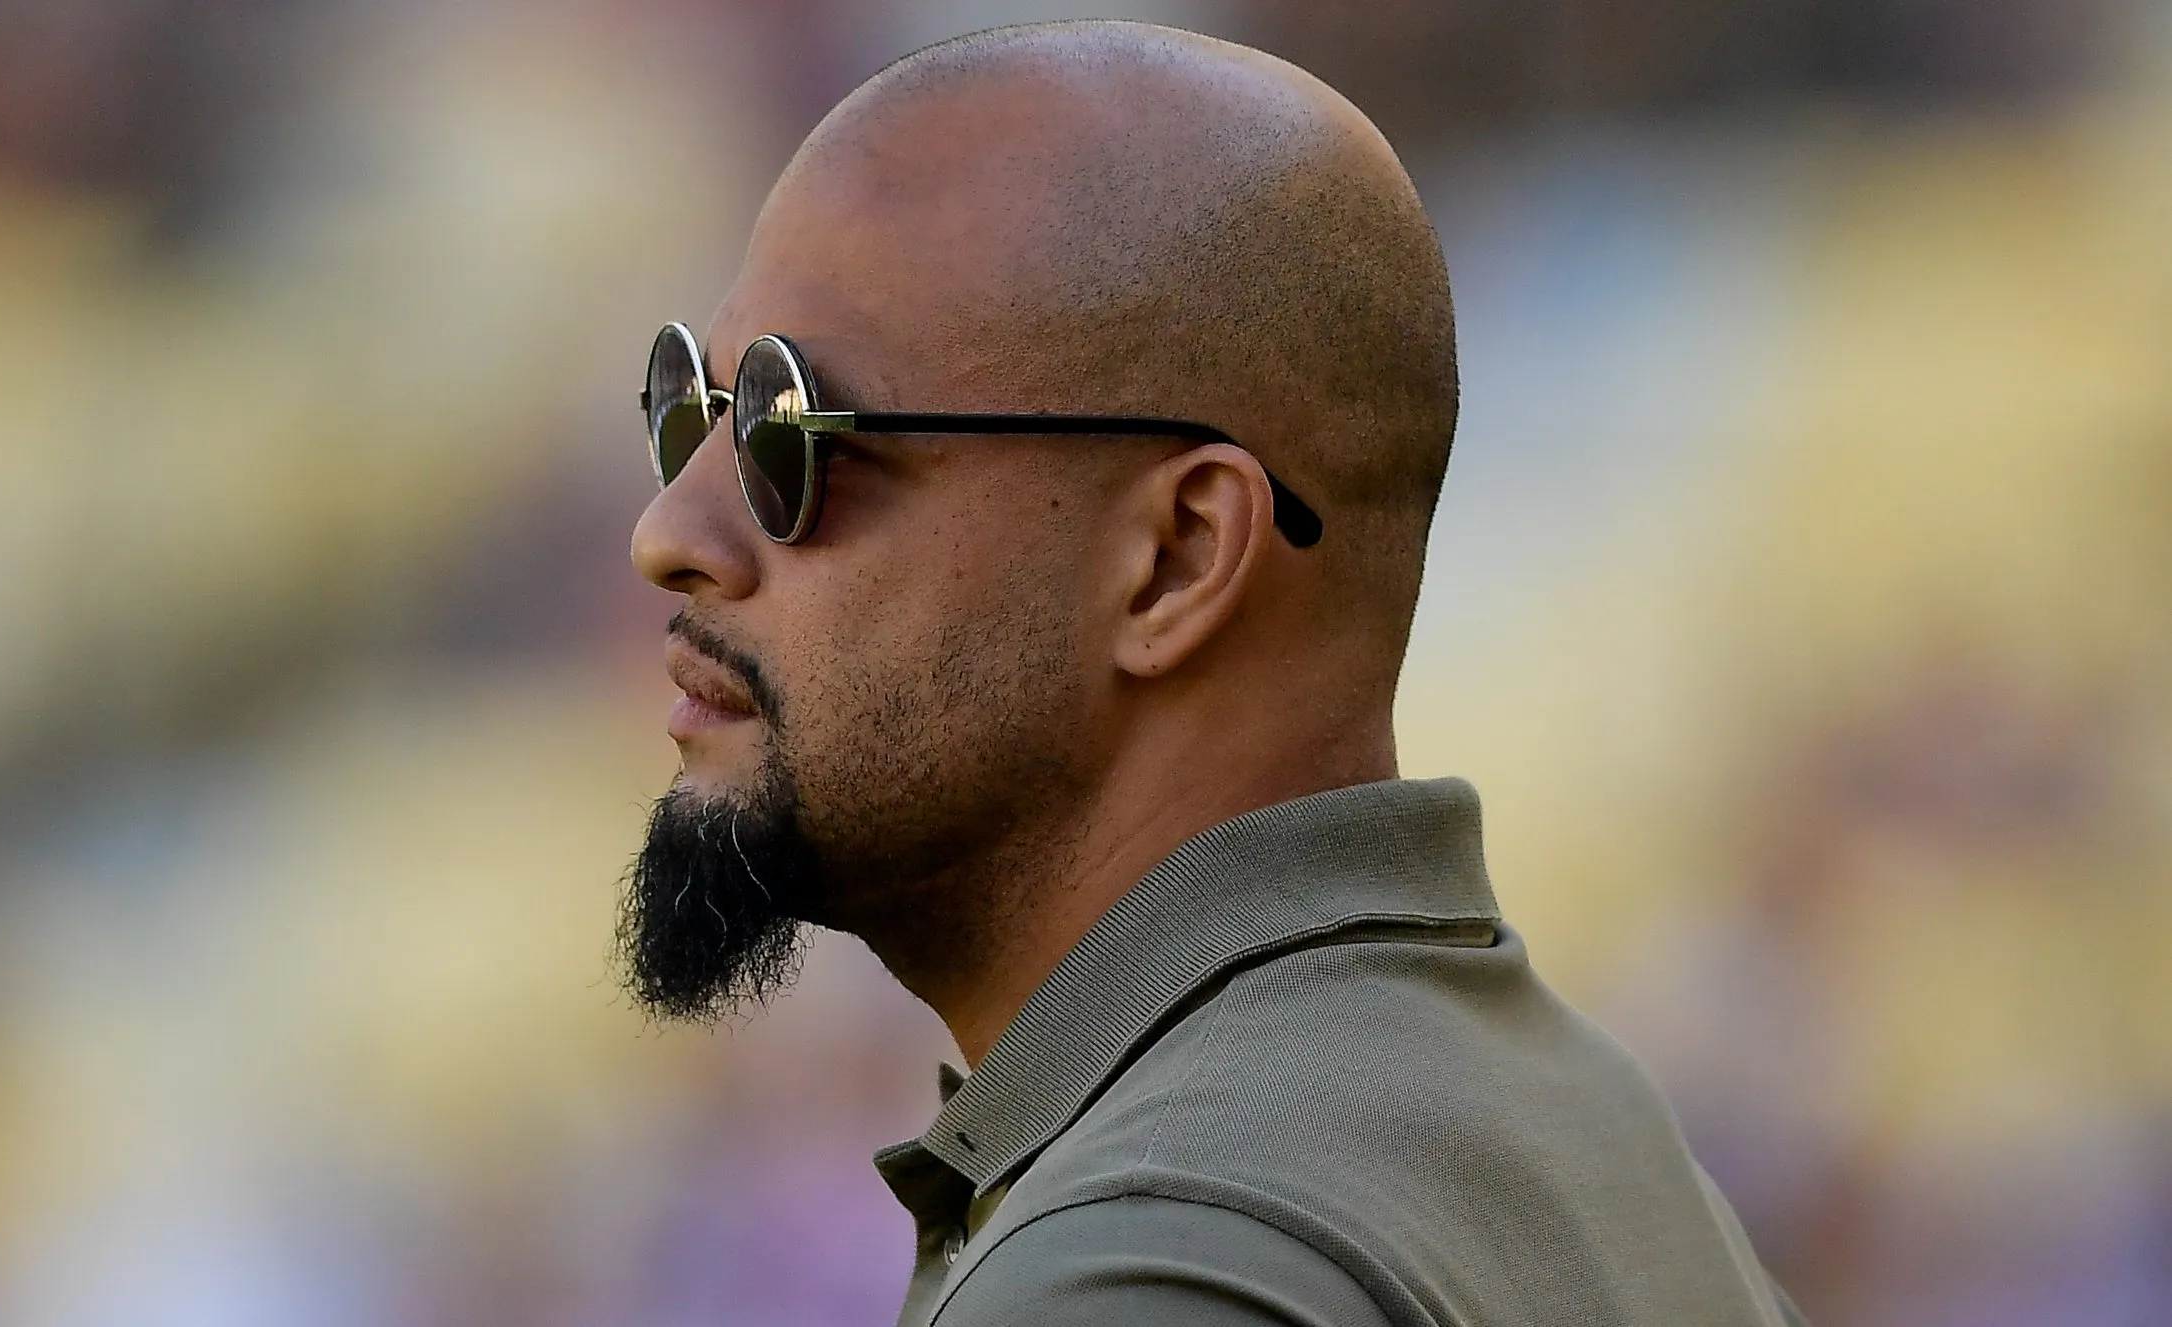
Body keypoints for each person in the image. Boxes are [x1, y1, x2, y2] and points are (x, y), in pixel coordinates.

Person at [621, 19, 1804, 1327]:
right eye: (691, 404)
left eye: (791, 428)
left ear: (1177, 557)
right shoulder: (1585, 1136)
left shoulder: (1144, 1269)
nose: (670, 531)